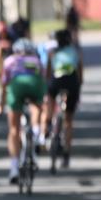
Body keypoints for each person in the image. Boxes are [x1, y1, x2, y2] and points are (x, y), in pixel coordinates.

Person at [0, 38, 45, 184]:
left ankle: (14, 168)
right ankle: (36, 133)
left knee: (14, 129)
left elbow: (4, 85)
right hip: (35, 85)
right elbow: (44, 79)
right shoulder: (37, 61)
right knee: (36, 107)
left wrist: (1, 104)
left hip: (16, 87)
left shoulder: (10, 61)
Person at [43, 29, 84, 168]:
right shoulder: (75, 51)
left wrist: (48, 87)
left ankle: (48, 122)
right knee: (68, 120)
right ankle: (66, 153)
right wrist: (78, 87)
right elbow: (80, 74)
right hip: (72, 82)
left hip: (57, 81)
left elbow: (48, 74)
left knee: (50, 97)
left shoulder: (52, 52)